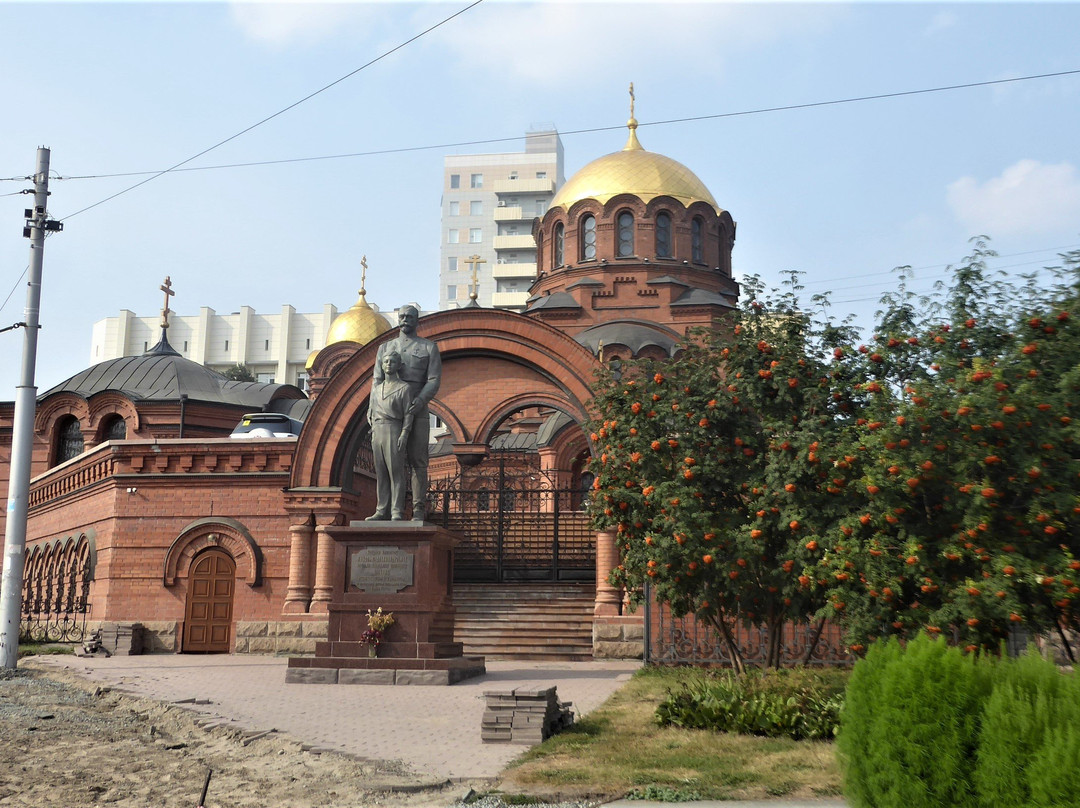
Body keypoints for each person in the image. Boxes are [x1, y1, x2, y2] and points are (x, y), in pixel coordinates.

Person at [371, 305, 441, 521]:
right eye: (401, 317)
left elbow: (433, 380)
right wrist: (371, 408)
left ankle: (418, 509)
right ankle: (384, 509)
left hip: (416, 408)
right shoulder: (385, 347)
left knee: (417, 461)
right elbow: (377, 380)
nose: (405, 320)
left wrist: (420, 400)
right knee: (386, 463)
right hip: (388, 406)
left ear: (416, 320)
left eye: (410, 317)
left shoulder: (429, 347)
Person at [366, 351, 414, 521]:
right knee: (381, 473)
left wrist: (404, 434)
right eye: (385, 361)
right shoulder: (377, 389)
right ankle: (381, 510)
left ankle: (396, 511)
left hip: (394, 428)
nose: (388, 364)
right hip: (377, 431)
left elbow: (409, 414)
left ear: (398, 365)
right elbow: (370, 412)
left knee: (395, 472)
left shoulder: (404, 388)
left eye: (392, 362)